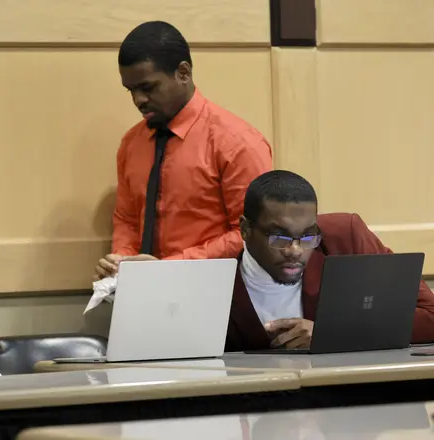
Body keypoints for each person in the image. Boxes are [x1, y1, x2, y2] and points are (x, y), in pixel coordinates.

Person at [94, 21, 273, 280]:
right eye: (131, 90)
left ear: (183, 72)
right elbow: (128, 220)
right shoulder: (131, 143)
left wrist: (171, 267)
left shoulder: (238, 143)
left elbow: (251, 234)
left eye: (148, 87)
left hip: (219, 295)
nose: (138, 100)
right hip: (145, 293)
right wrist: (122, 261)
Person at [225, 170, 434, 351]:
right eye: (280, 238)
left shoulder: (344, 239)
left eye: (308, 237)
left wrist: (331, 334)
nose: (295, 250)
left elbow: (430, 316)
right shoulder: (217, 278)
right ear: (245, 229)